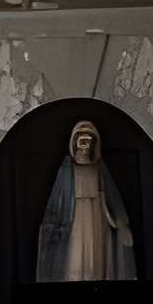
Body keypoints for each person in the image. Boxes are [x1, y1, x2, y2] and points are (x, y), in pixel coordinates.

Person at [35, 120, 138, 281]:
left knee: (96, 257)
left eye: (89, 141)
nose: (86, 146)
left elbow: (104, 198)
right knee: (75, 258)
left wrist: (116, 222)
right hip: (74, 217)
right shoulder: (67, 169)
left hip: (96, 217)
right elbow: (59, 201)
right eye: (82, 141)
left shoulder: (98, 169)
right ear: (74, 143)